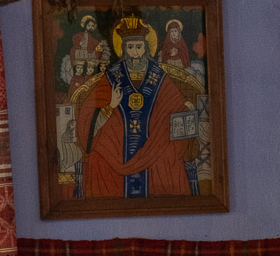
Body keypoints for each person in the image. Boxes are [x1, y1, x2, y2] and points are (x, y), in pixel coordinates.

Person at [73, 15, 200, 200]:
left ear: (145, 48)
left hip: (154, 141)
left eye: (139, 47)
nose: (135, 52)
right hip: (118, 142)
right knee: (98, 159)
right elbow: (88, 112)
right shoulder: (113, 75)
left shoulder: (157, 75)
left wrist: (185, 106)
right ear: (124, 49)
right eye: (130, 47)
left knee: (168, 159)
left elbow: (173, 101)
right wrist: (111, 105)